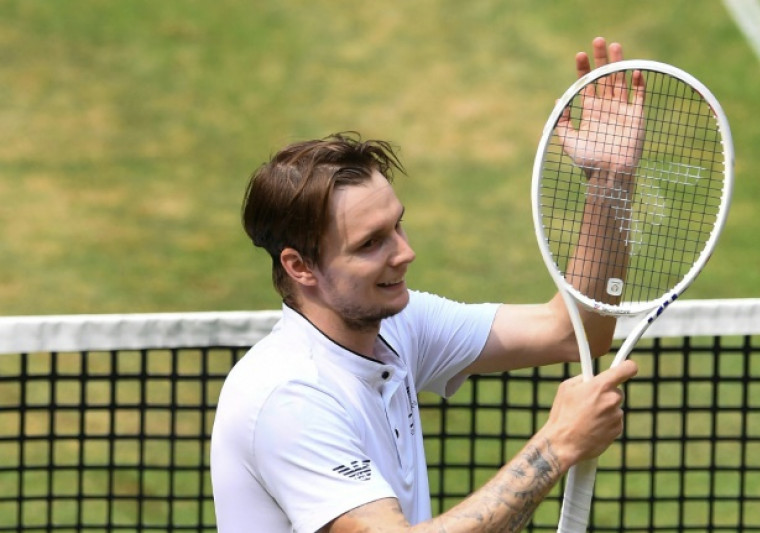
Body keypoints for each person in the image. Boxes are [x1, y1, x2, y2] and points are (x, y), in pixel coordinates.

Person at [210, 37, 643, 532]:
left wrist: (610, 181)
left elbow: (574, 332)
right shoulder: (289, 398)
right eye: (370, 243)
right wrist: (556, 445)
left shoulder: (399, 326)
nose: (405, 252)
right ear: (300, 267)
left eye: (398, 225)